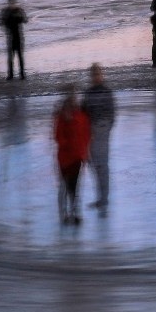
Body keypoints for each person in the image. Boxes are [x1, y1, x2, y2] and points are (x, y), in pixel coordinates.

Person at [53, 86, 91, 225]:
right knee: (65, 186)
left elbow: (86, 136)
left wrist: (84, 153)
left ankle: (74, 212)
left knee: (73, 187)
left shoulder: (81, 116)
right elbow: (58, 136)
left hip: (76, 158)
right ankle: (65, 213)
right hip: (66, 158)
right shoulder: (62, 117)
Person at [81, 63, 115, 213]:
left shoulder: (107, 92)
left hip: (101, 132)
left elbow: (111, 115)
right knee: (95, 166)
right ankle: (101, 198)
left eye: (98, 74)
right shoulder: (88, 94)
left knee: (102, 166)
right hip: (91, 133)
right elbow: (83, 114)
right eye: (93, 74)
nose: (96, 77)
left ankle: (103, 199)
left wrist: (103, 129)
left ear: (102, 75)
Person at [0, 0, 28, 80]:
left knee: (19, 56)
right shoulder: (6, 11)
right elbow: (0, 22)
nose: (12, 4)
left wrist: (19, 17)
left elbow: (25, 20)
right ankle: (12, 74)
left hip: (17, 36)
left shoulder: (18, 10)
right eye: (11, 3)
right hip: (12, 36)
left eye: (13, 3)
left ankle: (21, 74)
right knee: (12, 57)